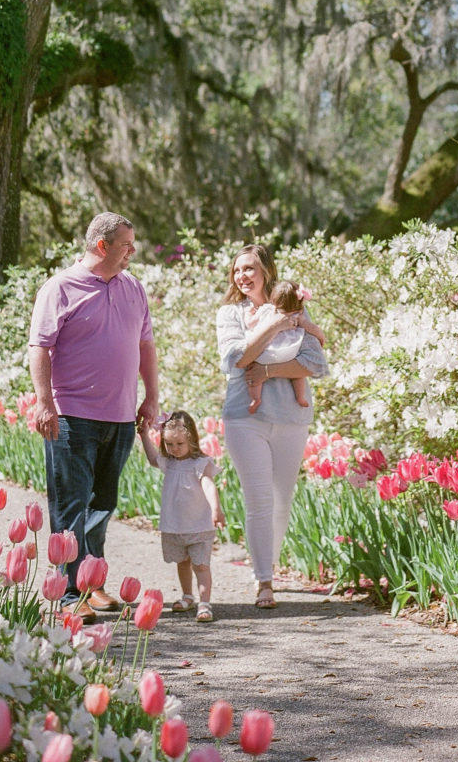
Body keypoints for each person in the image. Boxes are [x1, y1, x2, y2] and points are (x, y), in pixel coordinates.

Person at [28, 211, 159, 621]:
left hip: (119, 417)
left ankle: (93, 583)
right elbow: (39, 348)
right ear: (101, 246)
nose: (132, 252)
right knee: (71, 507)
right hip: (72, 417)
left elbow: (146, 346)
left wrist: (151, 397)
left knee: (102, 504)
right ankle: (71, 595)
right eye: (126, 245)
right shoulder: (59, 288)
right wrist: (44, 402)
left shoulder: (134, 288)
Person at [215, 243, 328, 609]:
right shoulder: (230, 315)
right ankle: (264, 580)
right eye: (237, 270)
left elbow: (314, 362)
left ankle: (269, 565)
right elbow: (234, 360)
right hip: (244, 418)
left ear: (265, 270)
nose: (242, 276)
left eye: (249, 268)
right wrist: (274, 326)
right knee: (259, 500)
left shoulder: (296, 306)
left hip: (291, 419)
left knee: (282, 501)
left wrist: (266, 370)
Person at [138, 408, 225, 622]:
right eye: (169, 444)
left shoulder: (199, 464)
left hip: (199, 525)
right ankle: (187, 596)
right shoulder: (169, 463)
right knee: (182, 563)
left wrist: (216, 508)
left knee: (201, 565)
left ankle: (204, 603)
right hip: (175, 525)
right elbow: (151, 458)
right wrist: (143, 434)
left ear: (192, 440)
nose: (174, 449)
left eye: (179, 444)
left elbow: (208, 485)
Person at [245, 279, 326, 412]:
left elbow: (251, 323)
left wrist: (249, 314)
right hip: (290, 352)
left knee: (253, 370)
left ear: (274, 301)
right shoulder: (298, 315)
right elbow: (313, 329)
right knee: (297, 374)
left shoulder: (267, 310)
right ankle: (300, 397)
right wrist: (321, 338)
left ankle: (256, 398)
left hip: (268, 352)